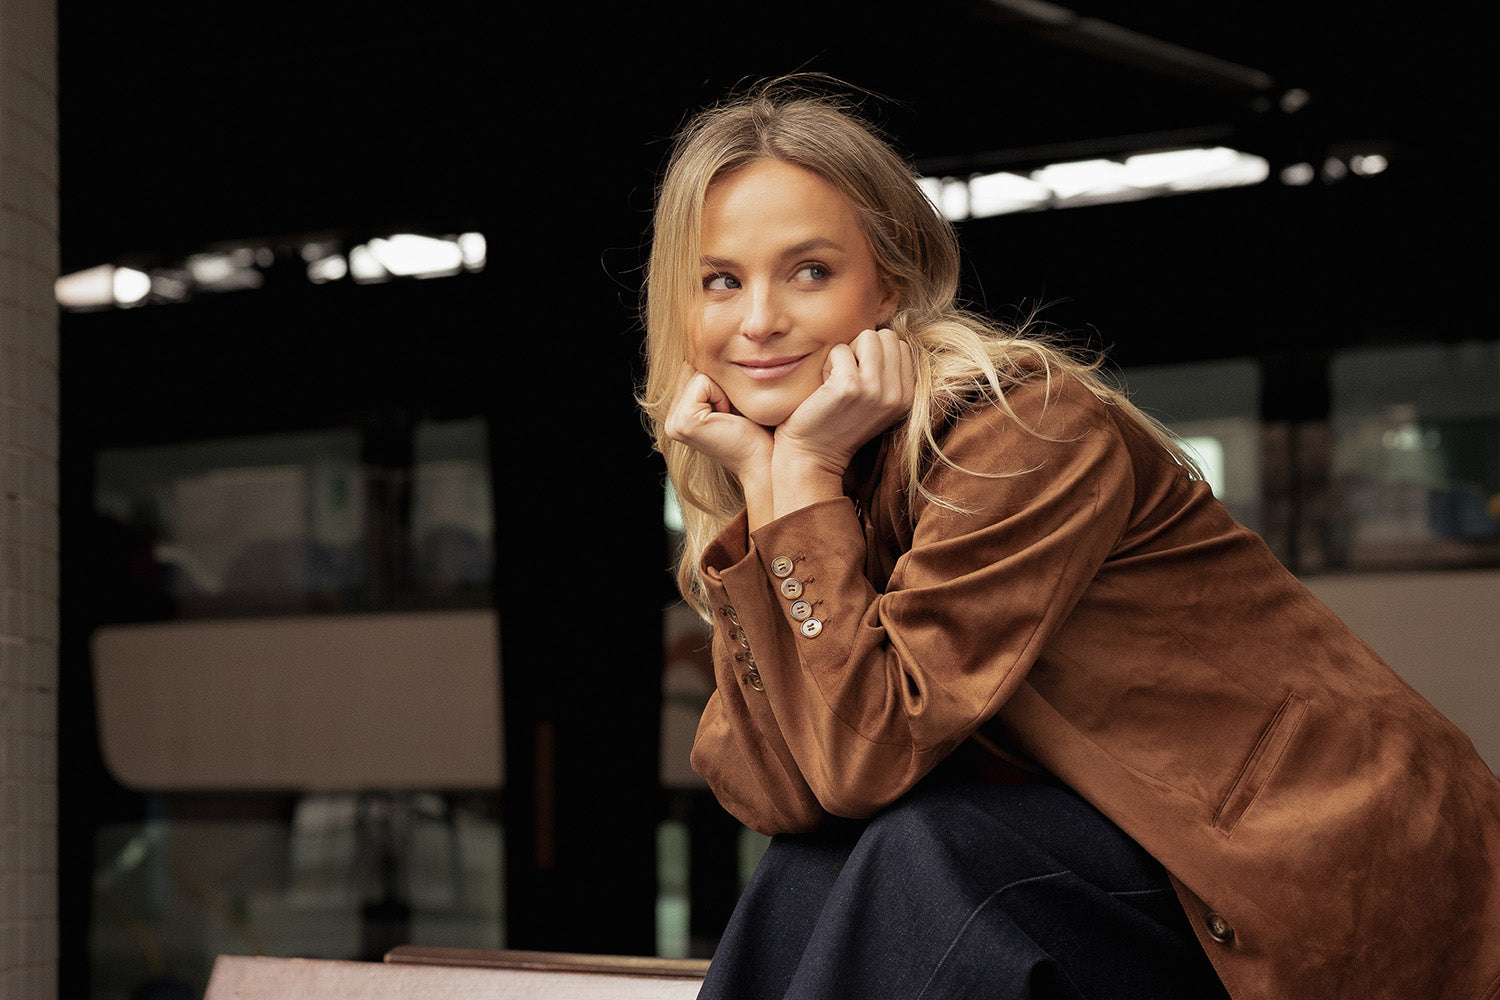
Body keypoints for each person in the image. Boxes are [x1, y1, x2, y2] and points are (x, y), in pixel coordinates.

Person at [637, 77, 1500, 1000]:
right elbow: (783, 796)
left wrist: (798, 486)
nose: (759, 319)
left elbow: (863, 758)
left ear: (890, 284)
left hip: (1311, 856)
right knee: (814, 865)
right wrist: (765, 506)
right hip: (1132, 846)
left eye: (810, 271)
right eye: (721, 281)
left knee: (925, 851)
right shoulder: (788, 475)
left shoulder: (1024, 431)